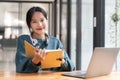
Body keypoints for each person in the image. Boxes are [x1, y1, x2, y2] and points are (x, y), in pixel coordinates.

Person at [15, 6, 75, 73]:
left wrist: (62, 61)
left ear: (47, 20)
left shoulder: (55, 42)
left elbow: (72, 67)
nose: (39, 24)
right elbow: (19, 68)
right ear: (29, 25)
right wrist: (35, 61)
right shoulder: (24, 40)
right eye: (34, 22)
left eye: (42, 20)